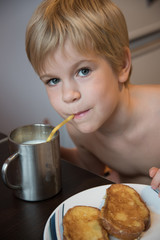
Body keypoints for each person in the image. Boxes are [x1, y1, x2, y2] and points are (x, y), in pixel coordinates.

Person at [25, 0, 160, 194]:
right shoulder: (79, 128)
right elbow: (91, 167)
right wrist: (50, 151)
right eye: (53, 80)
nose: (68, 96)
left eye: (83, 71)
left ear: (122, 64)